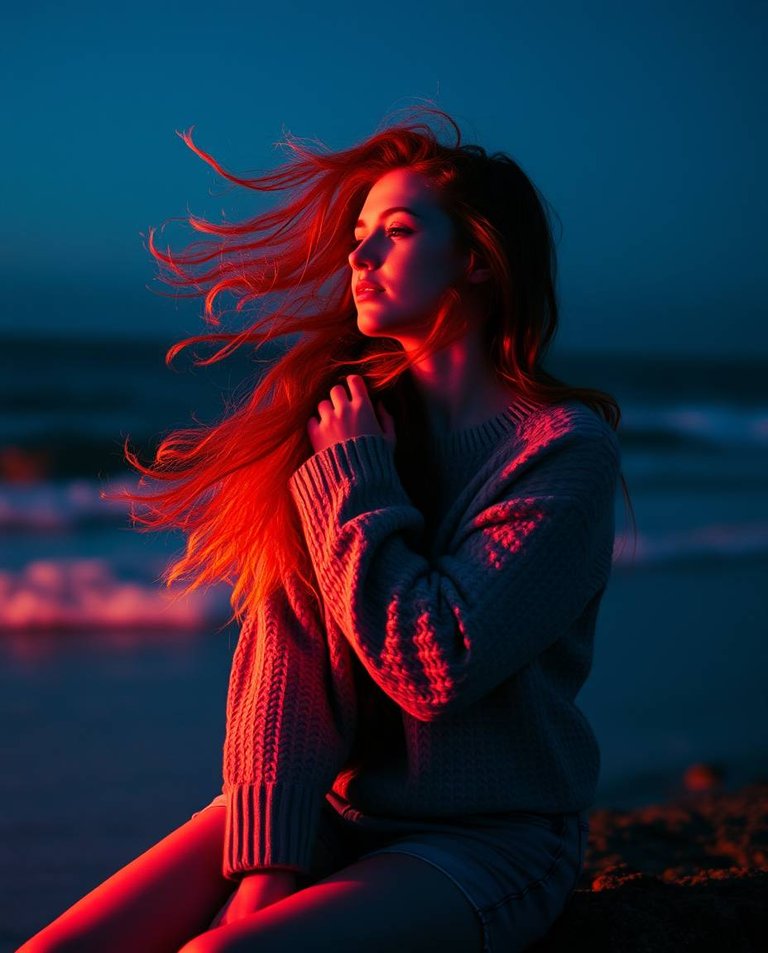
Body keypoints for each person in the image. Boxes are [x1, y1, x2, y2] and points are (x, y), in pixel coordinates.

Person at [18, 108, 635, 953]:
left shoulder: (560, 450)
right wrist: (264, 867)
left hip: (488, 838)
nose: (359, 255)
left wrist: (358, 481)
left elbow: (436, 661)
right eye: (358, 232)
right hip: (330, 812)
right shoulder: (352, 424)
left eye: (398, 230)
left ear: (479, 262)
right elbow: (287, 650)